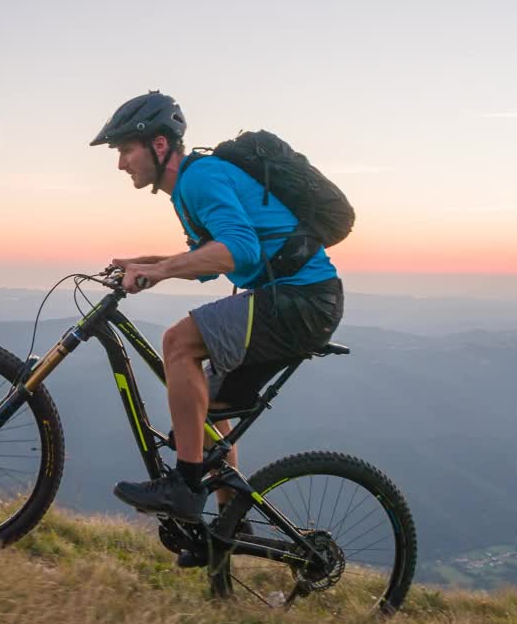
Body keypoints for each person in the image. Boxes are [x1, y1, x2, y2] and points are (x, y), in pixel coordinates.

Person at [90, 91, 345, 540]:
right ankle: (233, 529)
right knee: (210, 407)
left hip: (300, 301)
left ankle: (184, 486)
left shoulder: (200, 179)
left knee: (177, 342)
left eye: (126, 149)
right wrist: (147, 262)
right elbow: (211, 261)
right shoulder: (190, 187)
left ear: (160, 145)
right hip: (303, 302)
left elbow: (238, 250)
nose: (121, 163)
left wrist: (160, 270)